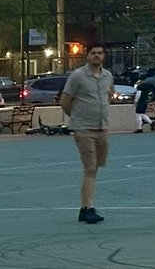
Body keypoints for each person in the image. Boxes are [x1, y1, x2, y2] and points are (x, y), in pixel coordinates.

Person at [59, 43, 116, 223]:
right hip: (83, 129)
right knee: (90, 167)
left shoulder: (107, 76)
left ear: (104, 56)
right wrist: (77, 118)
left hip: (102, 128)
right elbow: (65, 101)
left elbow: (109, 95)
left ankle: (84, 208)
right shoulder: (78, 76)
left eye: (100, 53)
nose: (97, 56)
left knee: (95, 168)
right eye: (93, 53)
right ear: (87, 55)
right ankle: (89, 207)